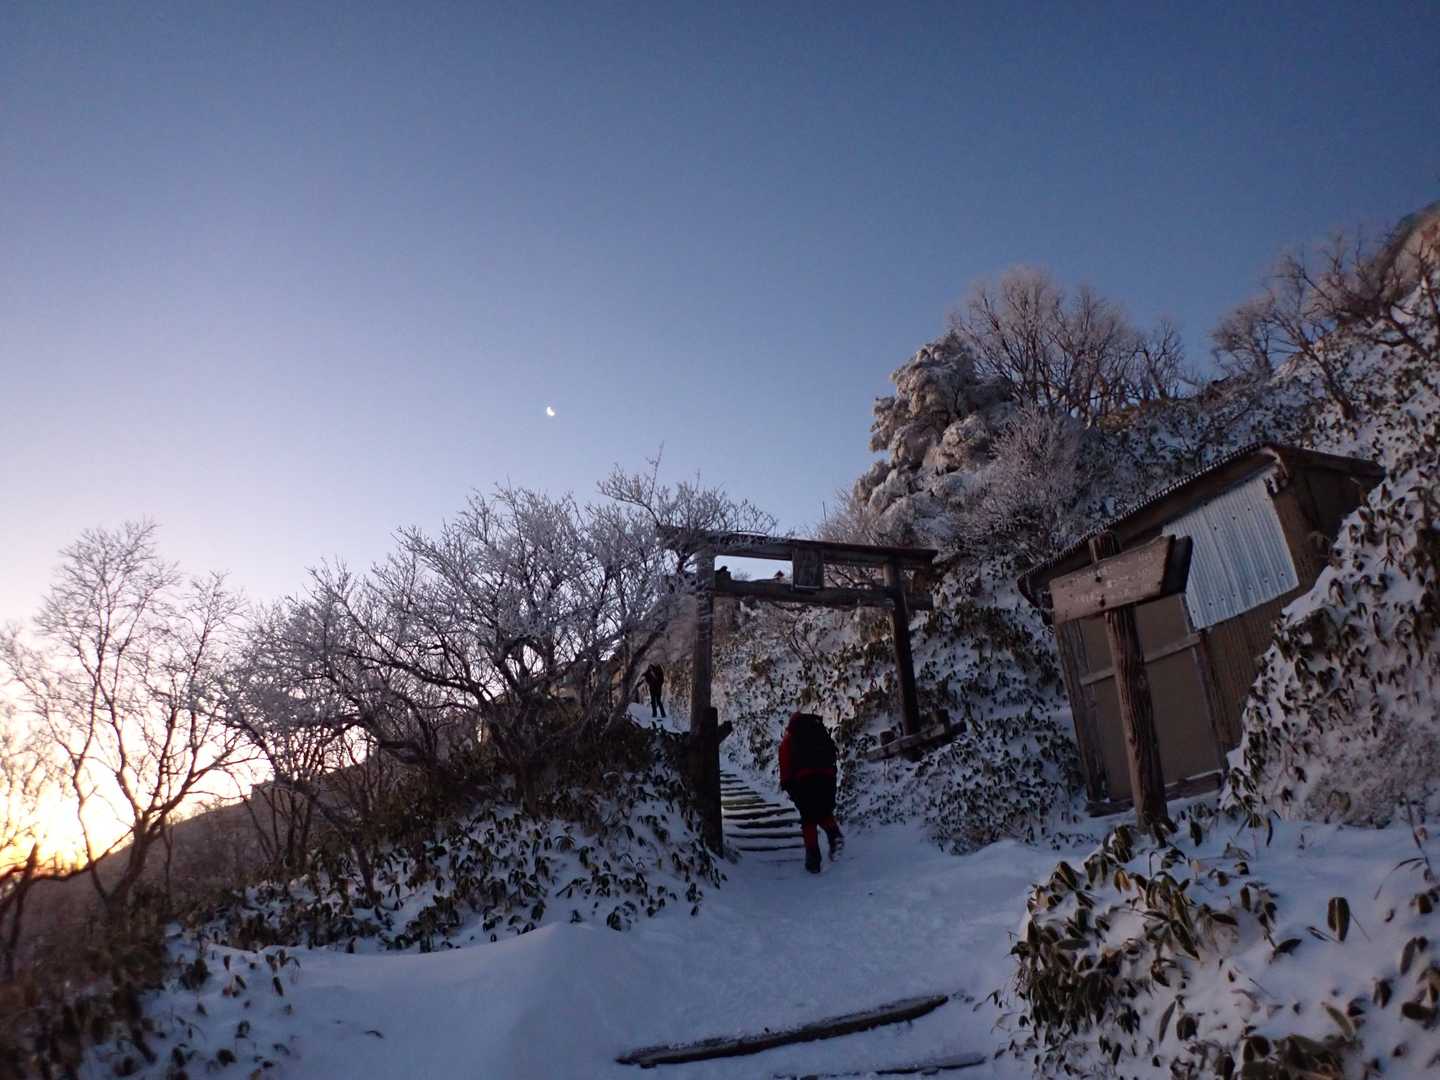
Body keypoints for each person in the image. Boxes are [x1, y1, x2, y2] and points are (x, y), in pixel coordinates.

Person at [778, 711, 844, 874]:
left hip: (805, 781)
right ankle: (834, 835)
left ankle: (813, 859)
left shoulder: (790, 739)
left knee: (808, 818)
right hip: (827, 777)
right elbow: (832, 753)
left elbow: (785, 764)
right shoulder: (819, 731)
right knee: (824, 811)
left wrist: (787, 784)